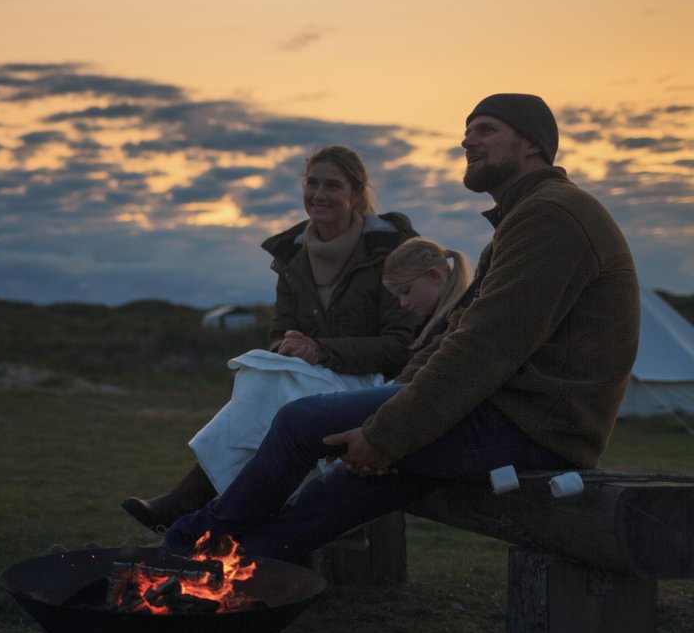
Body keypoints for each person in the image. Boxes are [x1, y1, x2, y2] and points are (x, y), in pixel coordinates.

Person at [164, 93, 641, 561]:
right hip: (512, 420)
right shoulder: (527, 217)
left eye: (486, 130)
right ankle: (229, 571)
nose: (467, 142)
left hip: (532, 430)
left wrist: (387, 431)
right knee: (342, 492)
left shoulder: (553, 215)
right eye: (467, 130)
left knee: (299, 423)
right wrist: (393, 402)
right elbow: (454, 334)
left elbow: (483, 348)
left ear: (532, 144)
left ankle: (185, 546)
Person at [121, 144, 420, 531]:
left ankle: (197, 501)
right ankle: (223, 509)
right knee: (267, 375)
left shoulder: (389, 250)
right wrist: (289, 346)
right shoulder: (292, 255)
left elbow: (399, 346)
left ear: (356, 193)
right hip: (307, 376)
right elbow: (280, 330)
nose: (319, 195)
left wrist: (319, 351)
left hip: (369, 382)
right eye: (312, 183)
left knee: (274, 386)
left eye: (332, 186)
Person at [380, 236, 472, 351]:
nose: (402, 303)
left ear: (434, 275)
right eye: (397, 297)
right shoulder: (439, 325)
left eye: (405, 291)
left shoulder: (458, 327)